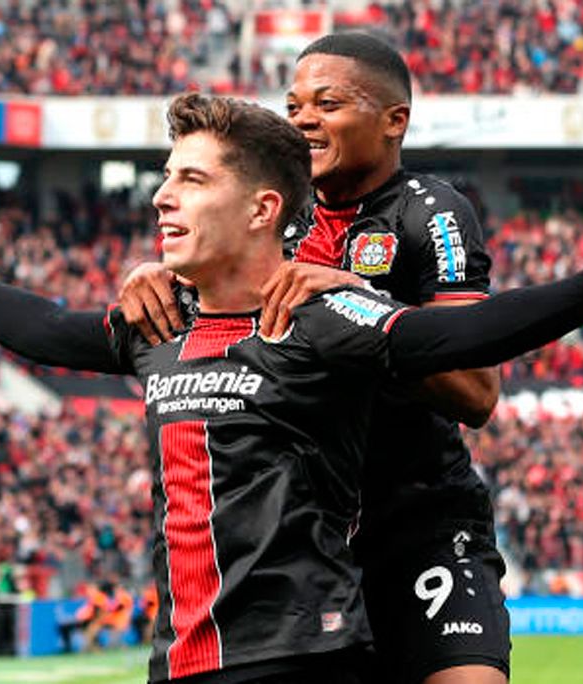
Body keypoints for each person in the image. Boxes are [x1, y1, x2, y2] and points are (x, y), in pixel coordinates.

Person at [0, 93, 583, 683]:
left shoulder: (318, 318)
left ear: (262, 209)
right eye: (165, 179)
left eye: (191, 179)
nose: (163, 198)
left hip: (306, 656)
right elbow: (48, 331)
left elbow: (449, 339)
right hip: (183, 661)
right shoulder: (157, 324)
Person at [113, 32, 551, 683]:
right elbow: (205, 300)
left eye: (328, 103)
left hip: (420, 519)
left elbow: (477, 393)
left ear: (393, 121)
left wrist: (361, 303)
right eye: (294, 106)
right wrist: (162, 274)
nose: (304, 120)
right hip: (314, 542)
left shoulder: (431, 214)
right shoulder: (273, 222)